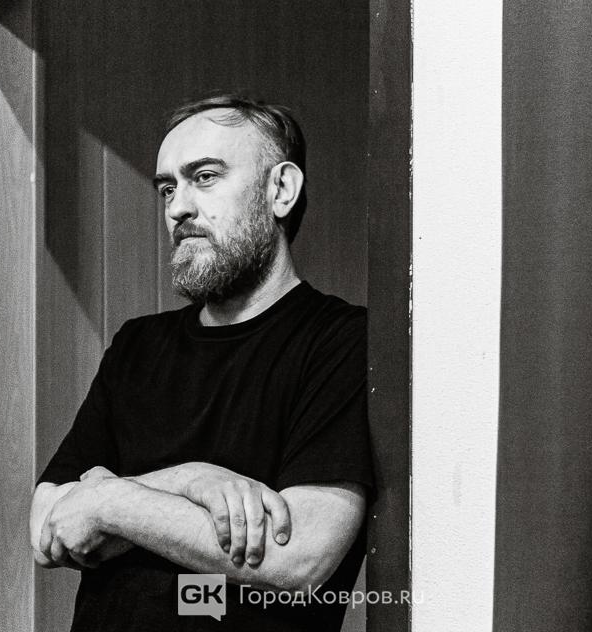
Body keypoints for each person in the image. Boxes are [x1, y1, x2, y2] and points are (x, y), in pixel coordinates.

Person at [29, 94, 374, 632]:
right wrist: (190, 480)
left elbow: (300, 558)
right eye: (168, 188)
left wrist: (110, 503)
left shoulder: (342, 341)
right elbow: (49, 529)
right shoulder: (137, 345)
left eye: (205, 177)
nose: (177, 208)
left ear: (281, 190)